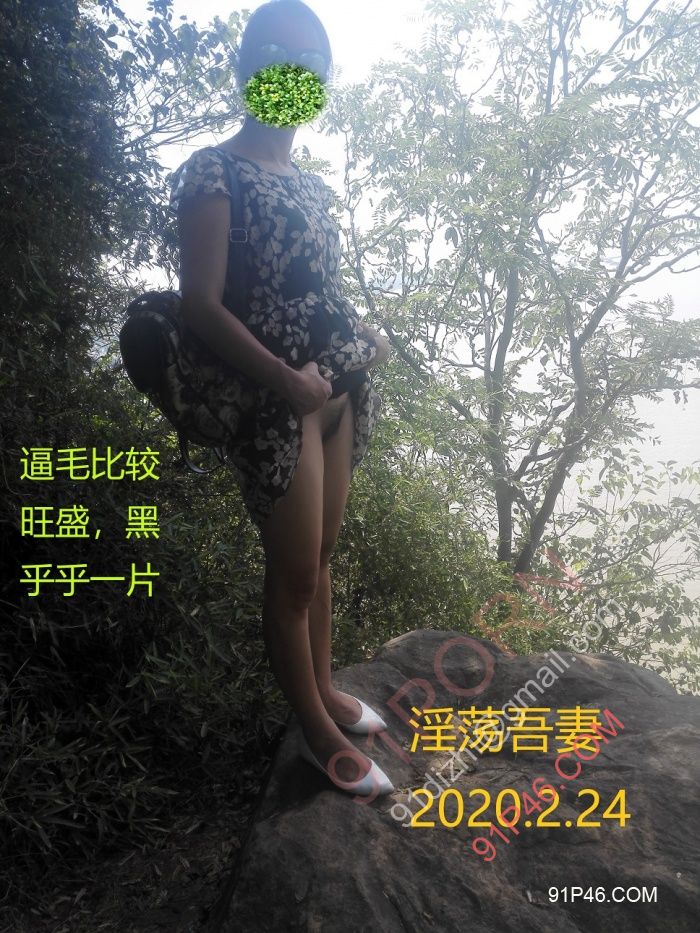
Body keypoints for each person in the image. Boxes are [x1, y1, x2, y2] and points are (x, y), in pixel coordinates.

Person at [169, 1, 394, 797]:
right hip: (276, 399)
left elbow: (316, 289)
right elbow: (203, 303)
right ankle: (315, 733)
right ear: (247, 67)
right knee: (295, 574)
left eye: (310, 62)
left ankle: (326, 689)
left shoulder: (313, 187)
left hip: (337, 389)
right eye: (275, 52)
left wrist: (364, 334)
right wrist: (284, 378)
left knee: (322, 560)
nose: (293, 71)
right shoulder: (213, 172)